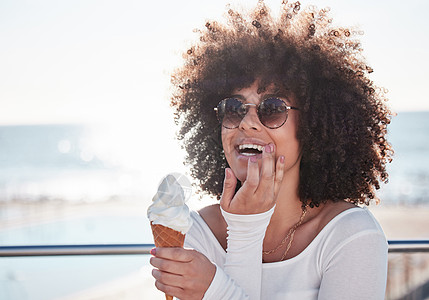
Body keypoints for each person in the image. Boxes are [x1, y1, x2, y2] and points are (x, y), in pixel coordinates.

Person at [150, 1, 393, 299]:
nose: (248, 123)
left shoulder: (350, 234)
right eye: (234, 108)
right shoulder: (196, 232)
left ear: (313, 125)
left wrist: (218, 286)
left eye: (273, 108)